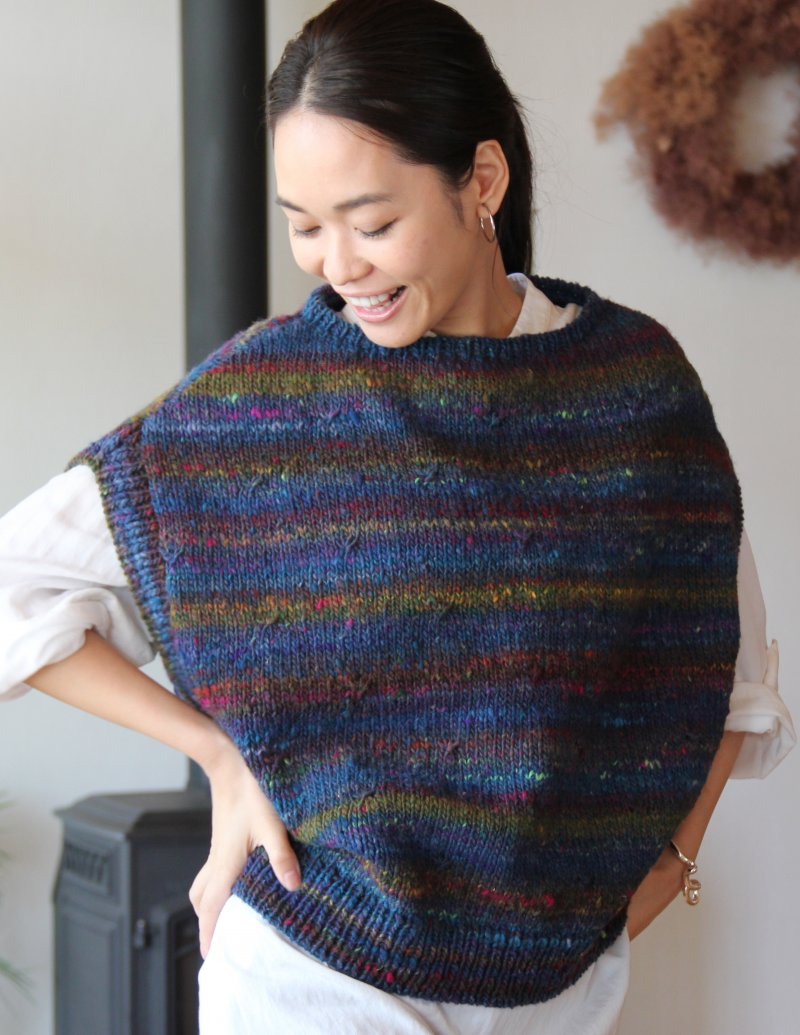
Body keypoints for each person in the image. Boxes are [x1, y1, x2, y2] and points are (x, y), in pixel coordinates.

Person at [0, 1, 794, 1032]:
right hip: (312, 977)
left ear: (481, 181)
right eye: (305, 225)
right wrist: (217, 755)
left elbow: (729, 676)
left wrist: (669, 866)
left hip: (558, 993)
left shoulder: (635, 392)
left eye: (371, 222)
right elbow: (19, 588)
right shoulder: (262, 400)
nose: (338, 264)